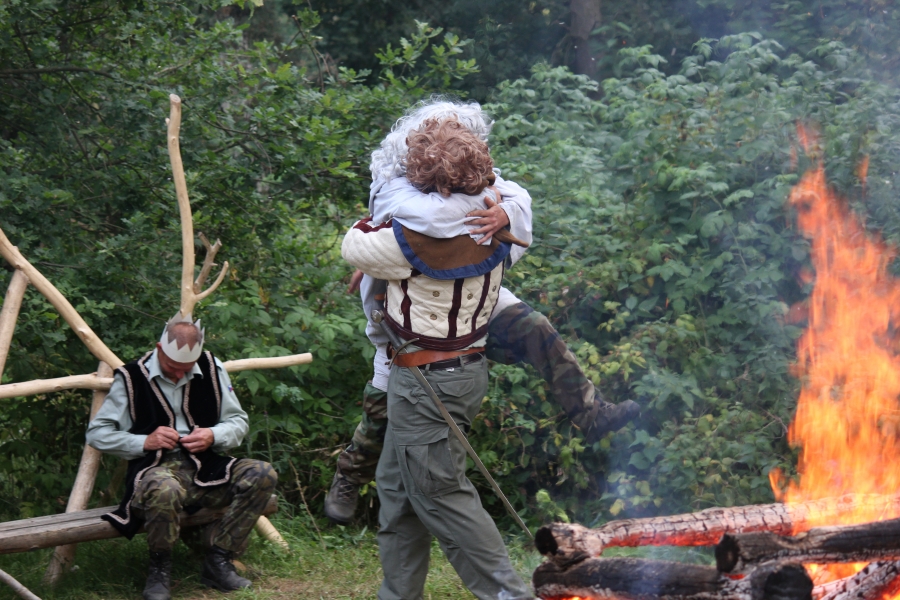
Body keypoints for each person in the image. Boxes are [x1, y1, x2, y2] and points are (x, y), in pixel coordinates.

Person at [324, 99, 639, 524]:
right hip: (411, 316)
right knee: (382, 402)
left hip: (473, 301)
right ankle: (349, 475)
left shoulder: (470, 174)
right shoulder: (397, 190)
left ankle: (591, 412)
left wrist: (505, 208)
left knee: (534, 327)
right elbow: (430, 216)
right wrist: (482, 206)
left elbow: (517, 196)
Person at [340, 118, 533, 599]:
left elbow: (354, 246)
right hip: (460, 372)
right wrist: (504, 206)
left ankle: (509, 595)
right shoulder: (502, 225)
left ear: (422, 177)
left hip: (427, 380)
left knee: (440, 493)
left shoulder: (406, 241)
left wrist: (382, 220)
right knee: (397, 487)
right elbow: (513, 203)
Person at [86, 312, 277, 600]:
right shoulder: (131, 377)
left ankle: (219, 560)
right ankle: (159, 568)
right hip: (154, 469)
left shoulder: (211, 367)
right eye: (173, 367)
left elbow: (238, 421)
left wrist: (213, 435)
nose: (179, 375)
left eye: (186, 369)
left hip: (207, 469)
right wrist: (144, 441)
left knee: (263, 473)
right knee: (165, 489)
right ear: (159, 349)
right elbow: (97, 434)